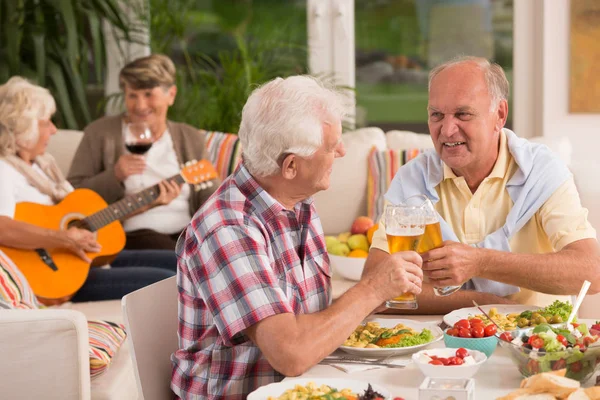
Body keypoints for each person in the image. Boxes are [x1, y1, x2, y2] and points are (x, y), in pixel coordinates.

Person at [171, 76, 424, 398]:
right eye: (332, 147)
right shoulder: (228, 228)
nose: (343, 151)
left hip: (302, 385)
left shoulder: (297, 203)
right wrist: (372, 289)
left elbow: (303, 318)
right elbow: (290, 354)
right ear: (290, 166)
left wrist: (376, 295)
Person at [366, 56, 600, 314]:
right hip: (445, 342)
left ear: (499, 115)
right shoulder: (413, 180)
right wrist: (482, 303)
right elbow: (374, 285)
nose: (447, 129)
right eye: (437, 115)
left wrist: (481, 262)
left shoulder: (542, 172)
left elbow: (591, 271)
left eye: (463, 114)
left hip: (538, 337)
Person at [0, 76, 177, 303]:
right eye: (46, 122)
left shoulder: (42, 167)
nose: (54, 130)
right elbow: (3, 227)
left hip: (80, 259)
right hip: (55, 275)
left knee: (182, 261)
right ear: (23, 129)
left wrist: (149, 203)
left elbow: (84, 221)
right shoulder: (4, 169)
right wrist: (64, 238)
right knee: (170, 280)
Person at [67, 54, 219, 251]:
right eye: (132, 95)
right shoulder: (99, 133)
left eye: (148, 94)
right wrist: (114, 176)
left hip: (186, 232)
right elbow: (72, 194)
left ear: (171, 95)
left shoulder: (190, 137)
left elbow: (209, 196)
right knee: (182, 264)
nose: (140, 106)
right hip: (133, 235)